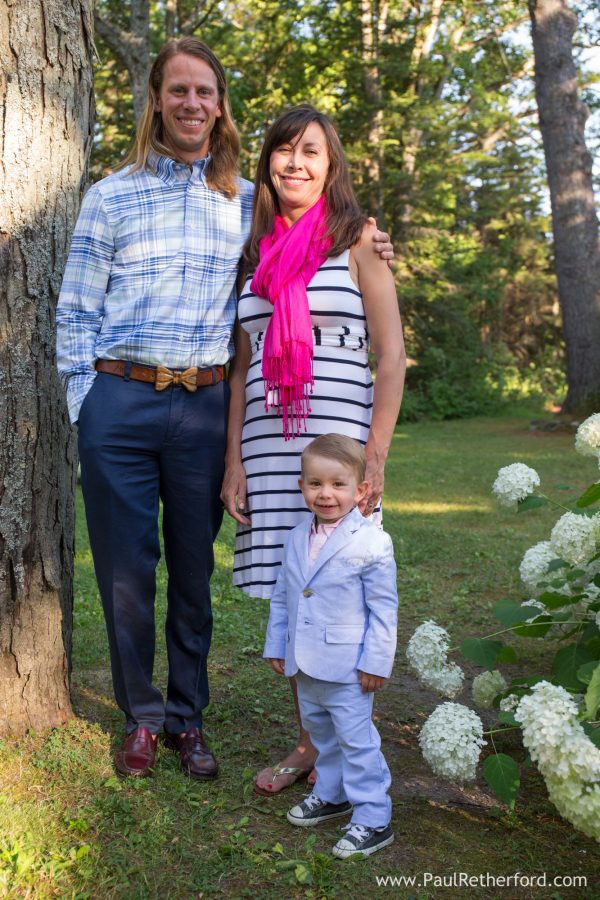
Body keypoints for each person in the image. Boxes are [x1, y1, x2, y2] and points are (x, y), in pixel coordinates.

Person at [56, 40, 393, 780]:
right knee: (123, 570)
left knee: (190, 573)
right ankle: (141, 718)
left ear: (219, 105)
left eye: (204, 91)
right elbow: (73, 313)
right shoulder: (109, 197)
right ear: (157, 100)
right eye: (178, 90)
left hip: (208, 405)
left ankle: (188, 718)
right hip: (119, 399)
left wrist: (371, 241)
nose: (191, 103)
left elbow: (314, 238)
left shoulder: (248, 201)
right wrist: (88, 405)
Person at [221, 104, 406, 794]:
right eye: (284, 151)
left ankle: (347, 739)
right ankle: (310, 743)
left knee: (344, 596)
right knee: (296, 597)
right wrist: (234, 460)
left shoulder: (357, 241)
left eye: (312, 153)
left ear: (331, 169)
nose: (295, 163)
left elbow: (391, 359)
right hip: (271, 449)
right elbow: (241, 368)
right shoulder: (253, 250)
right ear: (267, 160)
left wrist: (376, 456)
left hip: (339, 448)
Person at [264, 434, 398, 859]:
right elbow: (284, 595)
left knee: (357, 742)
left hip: (349, 667)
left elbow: (383, 610)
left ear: (361, 490)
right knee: (322, 734)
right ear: (301, 486)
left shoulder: (372, 541)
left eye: (338, 484)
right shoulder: (294, 538)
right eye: (315, 483)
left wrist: (376, 661)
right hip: (305, 664)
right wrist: (277, 642)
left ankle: (373, 818)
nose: (326, 494)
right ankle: (333, 792)